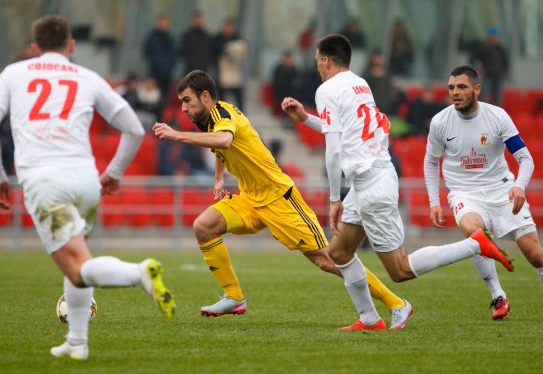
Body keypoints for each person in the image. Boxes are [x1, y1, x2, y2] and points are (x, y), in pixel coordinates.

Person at [281, 34, 514, 329]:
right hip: (372, 176)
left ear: (326, 60)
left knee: (400, 270)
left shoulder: (327, 89)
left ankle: (473, 245)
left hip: (370, 183)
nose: (317, 67)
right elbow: (345, 130)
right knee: (339, 252)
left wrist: (333, 199)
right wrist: (305, 118)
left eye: (317, 61)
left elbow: (334, 148)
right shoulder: (360, 83)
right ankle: (369, 318)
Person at [153, 69, 413, 330]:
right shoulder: (208, 120)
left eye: (187, 100)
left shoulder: (223, 115)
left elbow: (223, 140)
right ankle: (233, 297)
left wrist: (175, 135)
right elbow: (220, 147)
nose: (184, 108)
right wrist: (219, 179)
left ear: (205, 96)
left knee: (329, 259)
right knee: (204, 226)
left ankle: (395, 303)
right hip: (250, 198)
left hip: (280, 198)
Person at [0, 15, 175, 360]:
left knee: (78, 268)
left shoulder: (13, 74)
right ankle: (77, 342)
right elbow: (134, 128)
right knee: (79, 256)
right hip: (86, 179)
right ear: (72, 46)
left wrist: (2, 177)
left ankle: (138, 273)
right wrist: (114, 172)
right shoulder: (87, 76)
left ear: (35, 48)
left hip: (45, 180)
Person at [424, 65, 543, 319]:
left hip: (501, 190)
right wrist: (434, 201)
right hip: (464, 193)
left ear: (477, 89)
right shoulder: (440, 122)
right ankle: (498, 296)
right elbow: (431, 161)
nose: (455, 92)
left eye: (462, 87)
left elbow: (525, 158)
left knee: (535, 255)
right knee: (475, 233)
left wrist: (518, 186)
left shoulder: (497, 116)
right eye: (451, 88)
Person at [211, 18, 247, 111]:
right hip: (222, 75)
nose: (229, 29)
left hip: (235, 75)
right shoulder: (217, 39)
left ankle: (241, 118)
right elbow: (214, 53)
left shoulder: (238, 38)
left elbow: (244, 50)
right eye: (227, 27)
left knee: (239, 99)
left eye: (231, 27)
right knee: (221, 100)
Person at [143, 13, 177, 112]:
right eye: (160, 22)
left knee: (165, 99)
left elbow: (174, 55)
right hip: (155, 72)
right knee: (154, 98)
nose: (162, 24)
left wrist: (168, 66)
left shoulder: (170, 38)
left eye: (164, 22)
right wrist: (158, 64)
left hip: (167, 73)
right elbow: (147, 54)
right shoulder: (151, 38)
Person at [469, 27, 509, 106]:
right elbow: (473, 58)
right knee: (483, 96)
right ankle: (482, 113)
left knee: (497, 98)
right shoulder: (484, 48)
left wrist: (504, 73)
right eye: (492, 37)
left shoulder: (501, 49)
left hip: (498, 76)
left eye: (495, 37)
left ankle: (496, 116)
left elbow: (506, 63)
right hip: (487, 75)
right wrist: (477, 69)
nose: (494, 39)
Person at [177, 10, 211, 74]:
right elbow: (182, 52)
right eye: (196, 19)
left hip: (203, 70)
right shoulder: (186, 36)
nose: (198, 21)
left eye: (199, 19)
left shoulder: (207, 36)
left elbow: (209, 53)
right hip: (189, 70)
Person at [271, 50, 301, 117]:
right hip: (281, 92)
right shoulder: (278, 69)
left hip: (292, 92)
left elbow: (297, 80)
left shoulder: (294, 69)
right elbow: (277, 82)